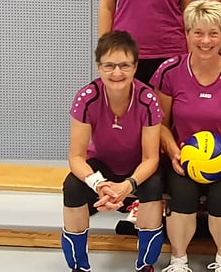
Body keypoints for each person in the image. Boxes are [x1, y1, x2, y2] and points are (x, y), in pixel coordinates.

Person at [150, 0, 221, 272]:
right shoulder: (170, 71)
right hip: (182, 161)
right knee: (182, 195)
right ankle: (178, 260)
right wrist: (174, 153)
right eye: (198, 33)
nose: (205, 41)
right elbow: (160, 124)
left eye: (213, 33)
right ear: (186, 34)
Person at [62, 31, 164, 272]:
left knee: (154, 186)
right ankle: (79, 266)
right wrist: (99, 184)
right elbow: (76, 157)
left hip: (137, 167)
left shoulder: (148, 99)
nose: (117, 73)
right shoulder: (87, 98)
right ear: (98, 67)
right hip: (102, 166)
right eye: (109, 65)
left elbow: (151, 158)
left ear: (135, 67)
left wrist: (127, 186)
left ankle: (145, 264)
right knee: (72, 187)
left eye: (124, 65)